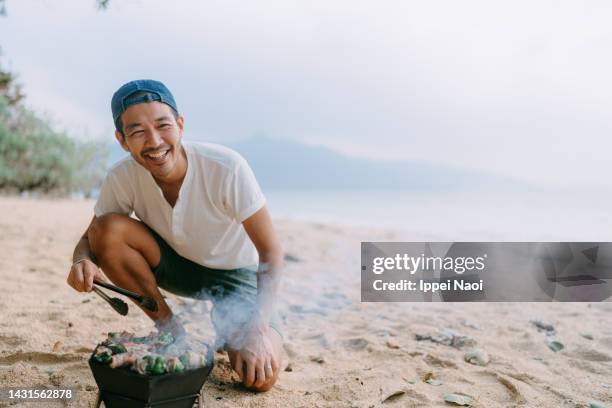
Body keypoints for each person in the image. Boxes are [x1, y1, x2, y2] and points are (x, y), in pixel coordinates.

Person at [66, 79, 284, 392]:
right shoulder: (123, 176)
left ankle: (232, 326)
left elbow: (272, 252)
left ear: (180, 125)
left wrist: (258, 329)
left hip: (238, 278)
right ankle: (172, 331)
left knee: (258, 377)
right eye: (137, 132)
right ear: (122, 140)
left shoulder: (227, 167)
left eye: (163, 125)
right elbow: (91, 238)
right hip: (176, 268)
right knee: (107, 229)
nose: (154, 141)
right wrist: (81, 261)